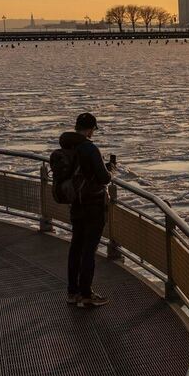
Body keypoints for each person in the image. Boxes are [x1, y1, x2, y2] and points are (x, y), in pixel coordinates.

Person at [60, 112, 112, 307]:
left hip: (76, 204)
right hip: (92, 204)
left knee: (76, 246)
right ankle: (86, 296)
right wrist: (110, 170)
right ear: (90, 129)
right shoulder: (89, 148)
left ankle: (72, 292)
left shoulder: (67, 146)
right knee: (89, 249)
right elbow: (104, 178)